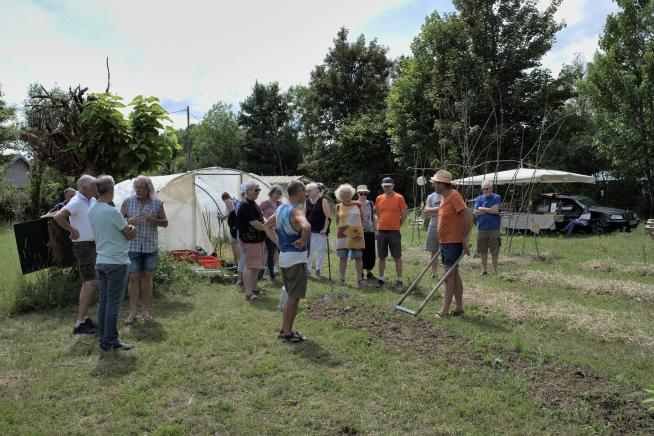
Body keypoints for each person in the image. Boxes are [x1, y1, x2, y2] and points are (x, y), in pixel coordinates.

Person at [89, 175, 137, 351]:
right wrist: (133, 228)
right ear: (110, 190)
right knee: (113, 304)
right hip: (116, 261)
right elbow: (129, 233)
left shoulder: (92, 210)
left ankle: (104, 338)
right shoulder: (112, 211)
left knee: (104, 301)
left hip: (101, 260)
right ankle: (110, 340)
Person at [265, 180, 311, 342]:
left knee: (290, 295)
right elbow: (307, 227)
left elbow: (266, 226)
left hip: (284, 259)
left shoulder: (280, 208)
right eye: (304, 191)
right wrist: (303, 241)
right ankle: (287, 334)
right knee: (294, 297)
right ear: (298, 190)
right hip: (295, 259)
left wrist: (278, 243)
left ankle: (284, 329)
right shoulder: (295, 211)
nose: (306, 194)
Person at [54, 175, 99, 335]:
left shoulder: (90, 200)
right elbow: (58, 216)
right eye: (93, 186)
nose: (96, 189)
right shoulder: (77, 201)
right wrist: (72, 230)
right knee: (91, 283)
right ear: (83, 188)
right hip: (83, 246)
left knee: (89, 283)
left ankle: (83, 319)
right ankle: (80, 324)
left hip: (93, 245)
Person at [120, 175, 168, 324]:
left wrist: (152, 220)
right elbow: (117, 222)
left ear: (149, 189)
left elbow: (165, 223)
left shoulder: (157, 203)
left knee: (147, 276)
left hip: (149, 246)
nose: (138, 190)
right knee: (133, 278)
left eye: (141, 187)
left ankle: (145, 310)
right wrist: (128, 221)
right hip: (132, 246)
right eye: (137, 187)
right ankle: (133, 313)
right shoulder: (127, 202)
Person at [432, 170, 473, 318]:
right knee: (454, 275)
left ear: (442, 184)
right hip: (446, 242)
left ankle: (444, 310)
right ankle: (459, 308)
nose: (433, 184)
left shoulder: (454, 196)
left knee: (448, 276)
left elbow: (468, 216)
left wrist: (464, 238)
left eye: (435, 182)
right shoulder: (444, 197)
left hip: (453, 242)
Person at [237, 181, 271, 300]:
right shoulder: (245, 204)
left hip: (257, 240)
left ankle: (254, 289)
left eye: (259, 190)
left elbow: (260, 219)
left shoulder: (253, 203)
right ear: (248, 191)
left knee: (256, 265)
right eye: (256, 190)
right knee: (250, 266)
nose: (258, 192)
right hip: (249, 240)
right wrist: (267, 227)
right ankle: (248, 293)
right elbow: (254, 223)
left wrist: (266, 225)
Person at [374, 177, 408, 288]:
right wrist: (380, 225)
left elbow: (404, 213)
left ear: (393, 185)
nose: (387, 187)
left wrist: (399, 225)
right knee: (381, 257)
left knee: (397, 256)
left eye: (389, 185)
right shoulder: (379, 198)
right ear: (382, 186)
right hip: (381, 231)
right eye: (385, 186)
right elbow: (378, 213)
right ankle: (381, 279)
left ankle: (399, 279)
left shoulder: (399, 197)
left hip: (394, 232)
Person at [334, 184, 365, 287]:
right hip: (342, 235)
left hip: (356, 235)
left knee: (358, 257)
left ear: (351, 194)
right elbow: (337, 222)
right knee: (342, 257)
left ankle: (360, 280)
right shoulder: (338, 206)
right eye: (344, 193)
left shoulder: (358, 204)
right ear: (340, 195)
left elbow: (363, 219)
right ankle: (341, 279)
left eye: (348, 193)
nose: (346, 195)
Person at [473, 181, 502, 275]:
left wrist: (483, 209)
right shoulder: (479, 198)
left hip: (494, 228)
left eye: (487, 188)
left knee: (495, 250)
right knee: (483, 251)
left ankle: (495, 270)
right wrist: (490, 209)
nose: (485, 190)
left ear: (491, 188)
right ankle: (484, 270)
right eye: (483, 189)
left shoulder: (496, 197)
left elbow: (496, 211)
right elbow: (476, 213)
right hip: (482, 228)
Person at [305, 183, 331, 278]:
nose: (307, 193)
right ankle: (308, 270)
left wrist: (325, 228)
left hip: (321, 231)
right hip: (309, 231)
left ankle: (318, 270)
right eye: (307, 191)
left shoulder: (323, 201)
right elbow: (304, 216)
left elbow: (328, 217)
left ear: (316, 191)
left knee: (320, 251)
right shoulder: (306, 201)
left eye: (309, 191)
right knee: (309, 251)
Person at [258, 185, 283, 280]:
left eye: (279, 194)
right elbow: (257, 211)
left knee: (278, 250)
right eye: (276, 193)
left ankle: (273, 270)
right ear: (271, 193)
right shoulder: (265, 203)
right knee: (269, 251)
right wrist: (263, 219)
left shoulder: (280, 204)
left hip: (278, 229)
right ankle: (267, 273)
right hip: (268, 230)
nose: (277, 196)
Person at [356, 185, 376, 279]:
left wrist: (376, 230)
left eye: (365, 193)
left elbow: (374, 218)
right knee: (360, 253)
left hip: (370, 231)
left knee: (370, 252)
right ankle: (360, 272)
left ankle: (369, 271)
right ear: (358, 194)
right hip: (358, 232)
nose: (363, 195)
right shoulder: (355, 204)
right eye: (361, 193)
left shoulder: (371, 204)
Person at [424, 182, 442, 278]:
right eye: (434, 183)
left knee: (446, 251)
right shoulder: (430, 196)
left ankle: (447, 273)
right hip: (433, 226)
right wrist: (440, 210)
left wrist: (433, 211)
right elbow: (426, 211)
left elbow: (448, 211)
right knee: (433, 251)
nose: (435, 185)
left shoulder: (447, 195)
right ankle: (434, 273)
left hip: (445, 227)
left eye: (437, 183)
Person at [220, 191, 240, 265]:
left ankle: (238, 262)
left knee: (235, 242)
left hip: (234, 224)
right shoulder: (233, 201)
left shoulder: (227, 201)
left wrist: (223, 217)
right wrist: (224, 217)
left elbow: (232, 212)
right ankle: (236, 262)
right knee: (234, 242)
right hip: (235, 224)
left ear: (224, 198)